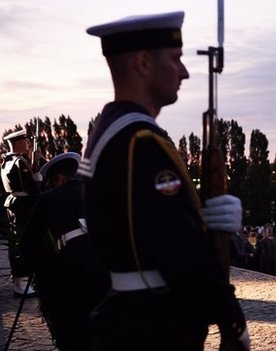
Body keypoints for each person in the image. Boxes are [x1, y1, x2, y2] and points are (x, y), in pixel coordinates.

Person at [81, 12, 249, 350]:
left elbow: (145, 221)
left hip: (130, 319)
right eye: (176, 59)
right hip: (152, 326)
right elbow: (181, 249)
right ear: (143, 63)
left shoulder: (112, 129)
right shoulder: (141, 142)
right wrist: (232, 321)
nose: (184, 72)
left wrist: (198, 212)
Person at [22, 152, 109, 350]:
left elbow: (30, 240)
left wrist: (32, 265)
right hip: (107, 265)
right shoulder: (99, 193)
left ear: (59, 178)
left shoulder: (48, 198)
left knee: (73, 326)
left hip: (73, 269)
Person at [1, 129, 39, 297]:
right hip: (24, 206)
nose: (29, 145)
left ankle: (20, 281)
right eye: (26, 142)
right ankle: (24, 282)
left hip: (13, 204)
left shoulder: (6, 161)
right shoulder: (19, 162)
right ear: (18, 144)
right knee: (24, 241)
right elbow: (33, 187)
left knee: (16, 242)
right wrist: (36, 168)